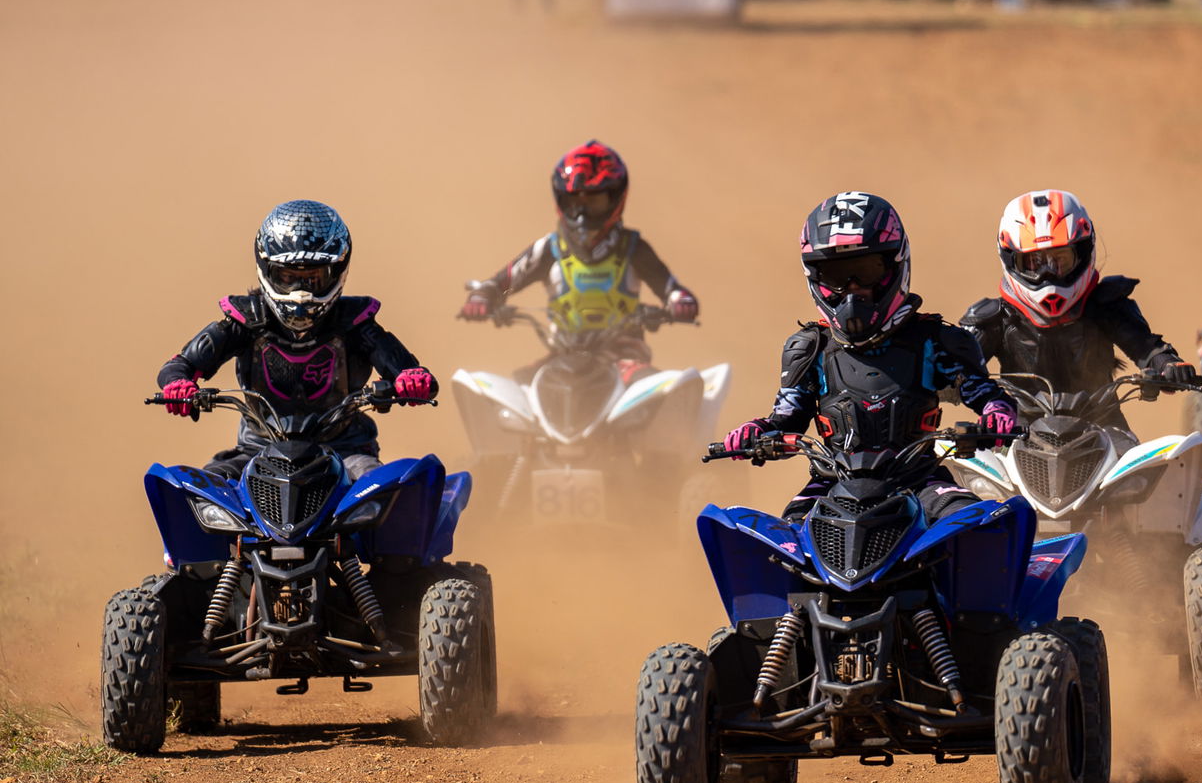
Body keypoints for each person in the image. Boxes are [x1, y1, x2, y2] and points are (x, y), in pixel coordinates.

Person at [721, 192, 1019, 522]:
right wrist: (756, 431)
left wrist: (996, 415)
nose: (852, 290)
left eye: (865, 270)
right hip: (830, 484)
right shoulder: (808, 348)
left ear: (894, 265)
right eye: (837, 277)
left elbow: (986, 396)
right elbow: (787, 419)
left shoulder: (938, 340)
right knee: (780, 542)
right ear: (816, 278)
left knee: (978, 524)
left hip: (920, 481)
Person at [156, 201, 438, 479]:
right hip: (256, 451)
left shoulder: (355, 322)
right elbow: (180, 365)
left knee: (380, 487)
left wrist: (412, 380)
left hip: (345, 452)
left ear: (337, 272)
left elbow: (411, 372)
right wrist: (178, 385)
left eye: (312, 279)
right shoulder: (244, 320)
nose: (300, 291)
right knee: (200, 489)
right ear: (267, 270)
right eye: (288, 277)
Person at [961, 190, 1200, 437]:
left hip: (1105, 428)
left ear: (1084, 252)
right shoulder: (993, 318)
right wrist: (941, 383)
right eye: (1034, 262)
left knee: (1155, 470)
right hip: (1017, 433)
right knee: (968, 465)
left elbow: (1147, 348)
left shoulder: (1106, 306)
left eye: (1060, 260)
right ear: (1010, 260)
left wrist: (1169, 365)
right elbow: (955, 363)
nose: (1048, 274)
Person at [458, 142, 698, 378]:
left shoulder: (633, 248)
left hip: (624, 356)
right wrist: (482, 298)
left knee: (658, 388)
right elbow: (499, 283)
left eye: (593, 202)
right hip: (561, 357)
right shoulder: (548, 249)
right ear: (561, 200)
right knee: (515, 387)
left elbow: (672, 290)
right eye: (575, 203)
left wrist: (681, 302)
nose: (582, 214)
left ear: (616, 198)